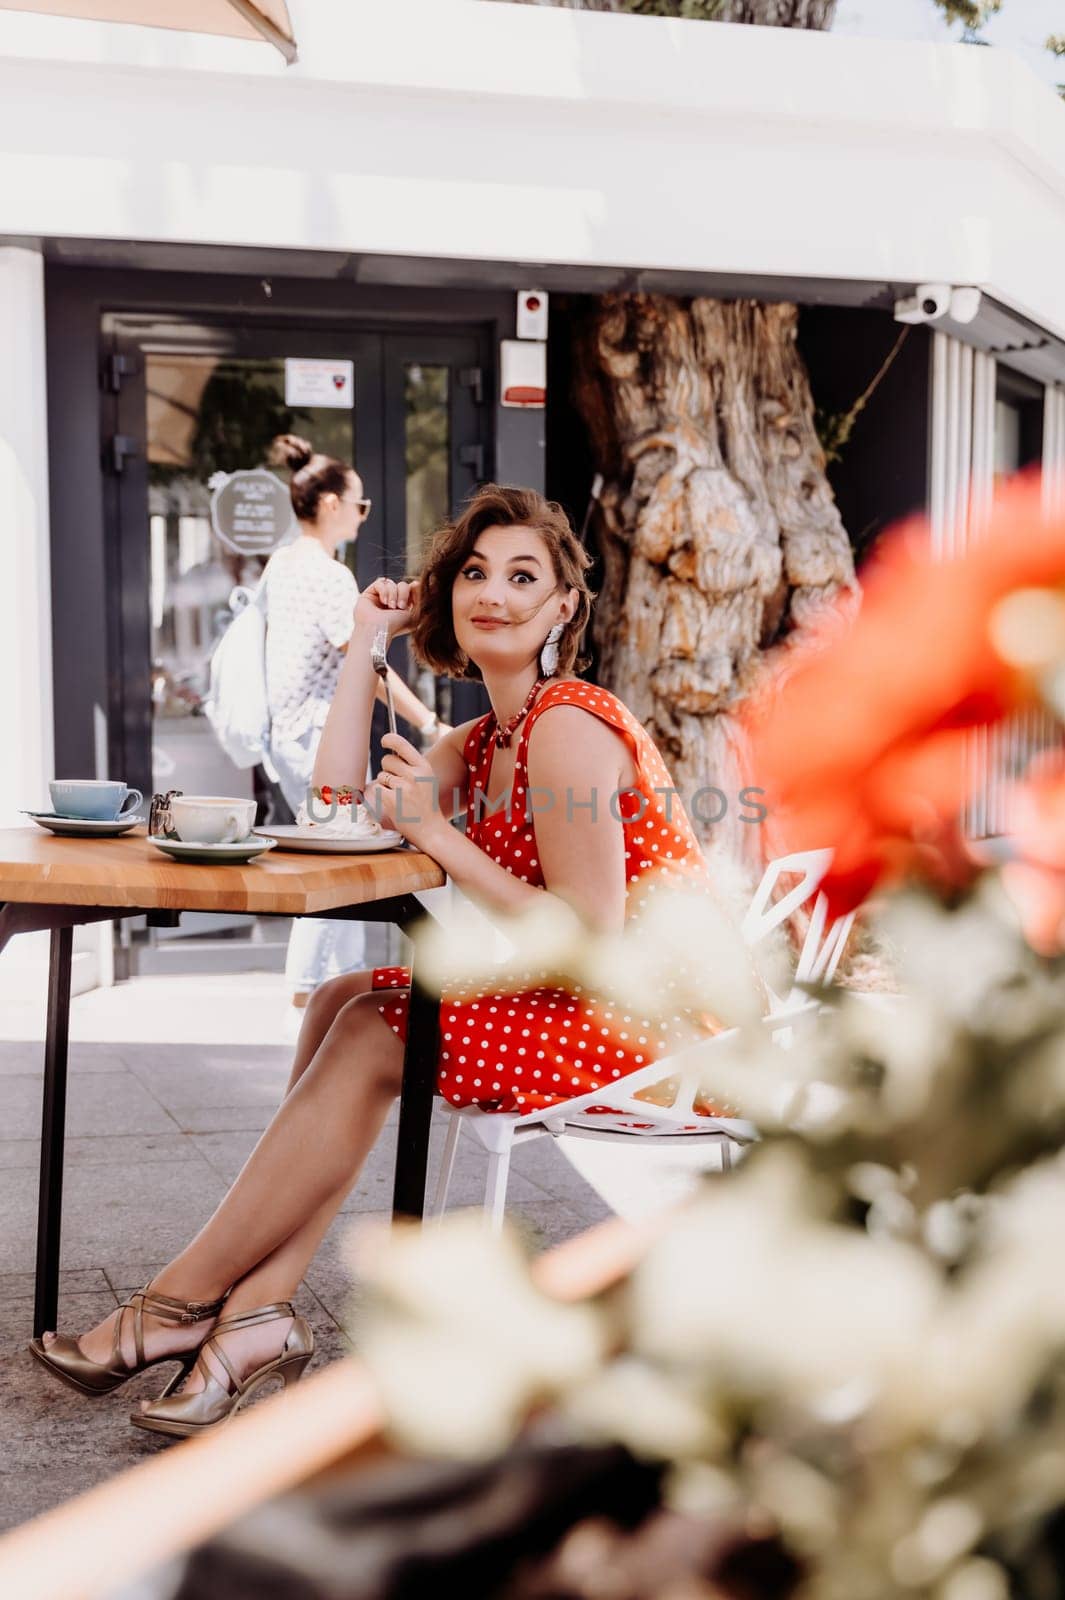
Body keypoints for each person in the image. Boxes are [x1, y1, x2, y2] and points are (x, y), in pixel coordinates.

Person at [30, 485, 716, 1437]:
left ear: (564, 606)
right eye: (475, 572)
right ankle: (258, 1316)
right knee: (352, 996)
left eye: (525, 577)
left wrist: (441, 834)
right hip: (588, 1005)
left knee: (371, 1024)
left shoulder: (565, 722)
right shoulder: (487, 738)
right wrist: (363, 641)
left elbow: (593, 934)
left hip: (660, 1031)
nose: (494, 593)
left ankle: (176, 1306)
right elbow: (336, 795)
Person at [261, 435, 445, 1010]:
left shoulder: (280, 564)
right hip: (321, 732)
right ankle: (311, 985)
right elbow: (366, 662)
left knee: (334, 844)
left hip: (285, 729)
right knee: (337, 851)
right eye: (361, 505)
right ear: (333, 504)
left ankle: (330, 984)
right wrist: (428, 719)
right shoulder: (328, 575)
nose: (365, 516)